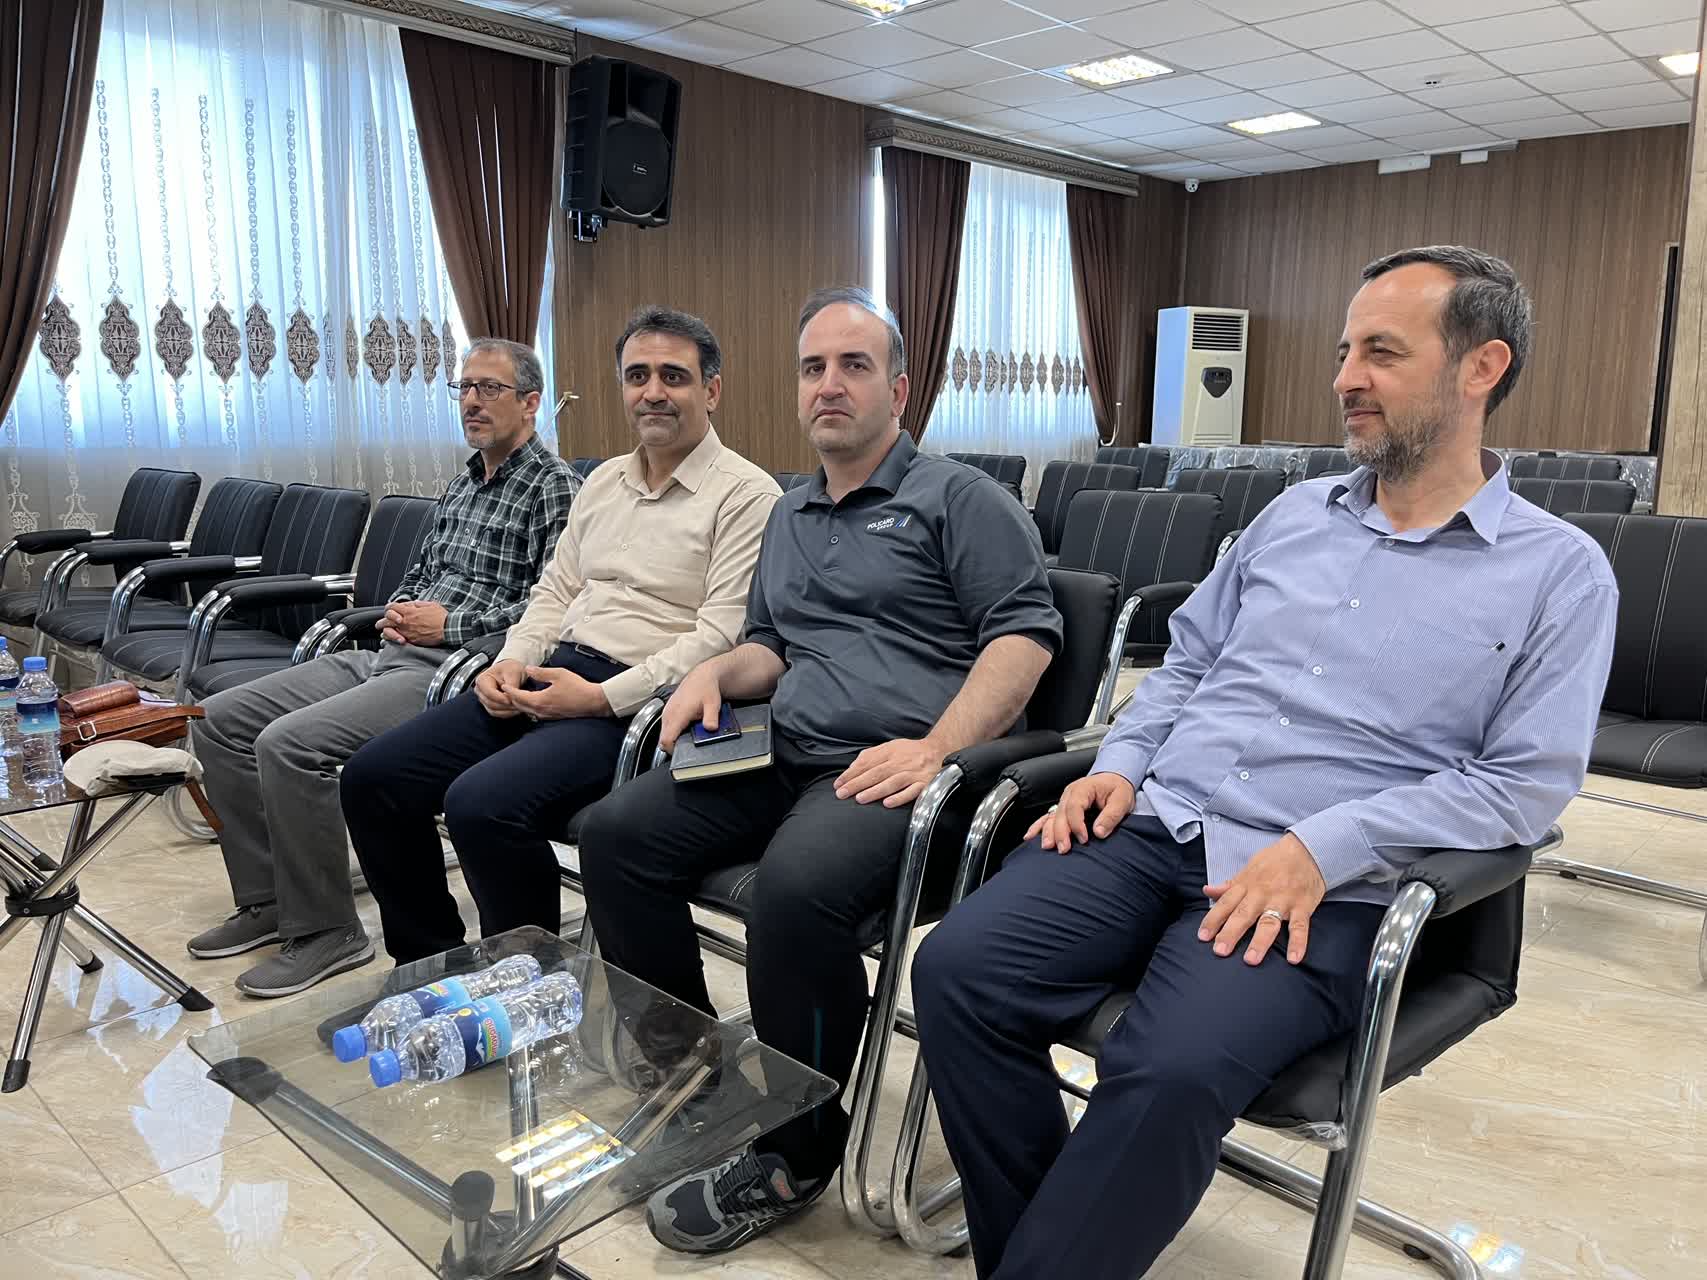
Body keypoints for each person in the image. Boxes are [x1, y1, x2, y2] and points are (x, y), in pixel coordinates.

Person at [910, 245, 1621, 1279]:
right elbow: (1189, 664)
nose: (1345, 378)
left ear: (1481, 367)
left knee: (1170, 1066)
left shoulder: (1559, 573)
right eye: (1344, 351)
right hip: (1154, 825)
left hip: (1316, 887)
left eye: (1381, 352)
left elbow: (1524, 784)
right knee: (958, 972)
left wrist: (1325, 846)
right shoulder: (1290, 517)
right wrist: (1124, 763)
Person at [574, 286, 1063, 1256]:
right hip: (783, 745)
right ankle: (692, 1079)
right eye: (812, 367)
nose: (829, 384)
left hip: (896, 769)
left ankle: (797, 1148)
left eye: (853, 365)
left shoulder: (961, 499)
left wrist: (936, 748)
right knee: (614, 833)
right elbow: (770, 644)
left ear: (899, 388)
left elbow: (1024, 638)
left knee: (793, 892)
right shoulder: (792, 510)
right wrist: (712, 673)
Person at [340, 307, 780, 964]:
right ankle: (430, 962)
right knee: (373, 778)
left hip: (640, 702)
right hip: (552, 671)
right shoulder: (603, 481)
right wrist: (511, 660)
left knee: (481, 804)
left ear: (710, 390)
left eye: (673, 376)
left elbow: (718, 637)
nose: (652, 392)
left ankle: (531, 987)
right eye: (637, 376)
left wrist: (599, 699)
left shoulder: (746, 494)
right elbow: (554, 593)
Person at [187, 338, 577, 998]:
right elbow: (422, 573)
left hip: (454, 670)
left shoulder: (555, 488)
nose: (472, 401)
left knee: (289, 745)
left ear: (531, 402)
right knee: (219, 720)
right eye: (464, 388)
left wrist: (446, 626)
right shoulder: (462, 482)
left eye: (490, 388)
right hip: (388, 654)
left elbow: (554, 607)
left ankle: (325, 930)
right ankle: (270, 900)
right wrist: (398, 610)